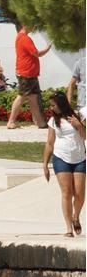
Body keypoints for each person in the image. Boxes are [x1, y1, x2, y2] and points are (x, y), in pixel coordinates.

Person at [43, 89, 85, 237]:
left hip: (79, 158)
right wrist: (45, 164)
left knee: (79, 194)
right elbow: (49, 143)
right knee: (67, 192)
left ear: (61, 104)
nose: (51, 108)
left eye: (53, 105)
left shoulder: (78, 116)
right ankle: (68, 228)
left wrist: (79, 125)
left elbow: (85, 136)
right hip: (61, 158)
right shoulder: (53, 121)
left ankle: (76, 217)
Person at [8, 25, 52, 130]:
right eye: (32, 25)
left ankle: (40, 122)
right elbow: (37, 53)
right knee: (22, 96)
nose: (34, 27)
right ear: (25, 25)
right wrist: (47, 48)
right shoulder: (24, 38)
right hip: (26, 73)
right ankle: (11, 121)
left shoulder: (21, 37)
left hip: (30, 73)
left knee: (33, 97)